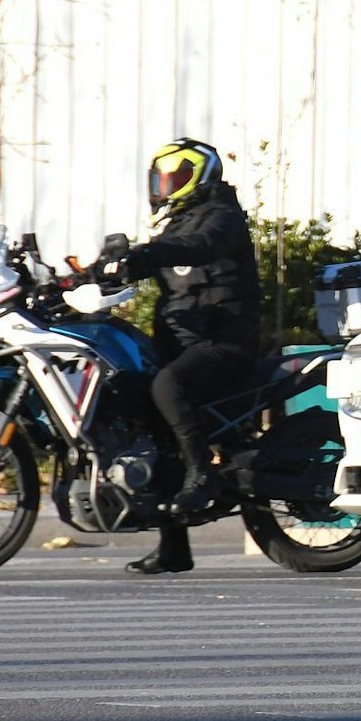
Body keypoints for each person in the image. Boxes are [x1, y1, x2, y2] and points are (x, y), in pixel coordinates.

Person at [101, 138, 263, 576]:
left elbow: (202, 246)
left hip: (225, 343)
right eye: (161, 179)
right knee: (138, 404)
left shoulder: (221, 218)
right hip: (186, 345)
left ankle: (203, 473)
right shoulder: (177, 225)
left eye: (174, 177)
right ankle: (173, 546)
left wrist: (148, 252)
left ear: (200, 176)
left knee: (167, 386)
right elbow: (150, 258)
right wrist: (92, 273)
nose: (164, 186)